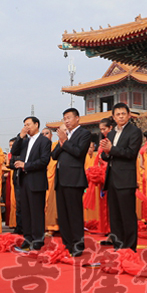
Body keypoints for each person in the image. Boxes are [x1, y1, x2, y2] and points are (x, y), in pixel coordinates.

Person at [101, 103, 142, 251]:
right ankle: (118, 246)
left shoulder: (134, 131)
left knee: (127, 214)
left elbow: (131, 153)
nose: (121, 116)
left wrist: (111, 149)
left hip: (125, 179)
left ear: (129, 115)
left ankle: (130, 247)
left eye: (123, 113)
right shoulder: (111, 134)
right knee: (115, 215)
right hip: (112, 178)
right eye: (117, 114)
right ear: (113, 117)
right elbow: (107, 155)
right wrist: (105, 152)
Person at [52, 108, 91, 256]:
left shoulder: (84, 134)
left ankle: (77, 245)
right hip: (60, 179)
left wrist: (64, 141)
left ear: (77, 119)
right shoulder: (65, 135)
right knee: (63, 214)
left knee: (74, 213)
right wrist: (62, 141)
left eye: (69, 118)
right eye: (64, 119)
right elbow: (54, 155)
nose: (66, 121)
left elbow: (79, 152)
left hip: (74, 179)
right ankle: (67, 243)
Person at [10, 116, 51, 250]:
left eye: (28, 124)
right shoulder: (25, 141)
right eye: (24, 125)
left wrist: (26, 165)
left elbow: (44, 161)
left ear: (36, 124)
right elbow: (14, 151)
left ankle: (38, 239)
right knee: (25, 211)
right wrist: (20, 137)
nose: (26, 127)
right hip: (23, 180)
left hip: (36, 179)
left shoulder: (44, 141)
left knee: (36, 211)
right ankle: (27, 238)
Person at [41, 128, 59, 233]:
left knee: (53, 204)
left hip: (54, 179)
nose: (45, 135)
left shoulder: (56, 146)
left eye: (47, 133)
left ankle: (54, 227)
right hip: (43, 178)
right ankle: (43, 226)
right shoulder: (39, 147)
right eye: (42, 134)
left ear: (51, 135)